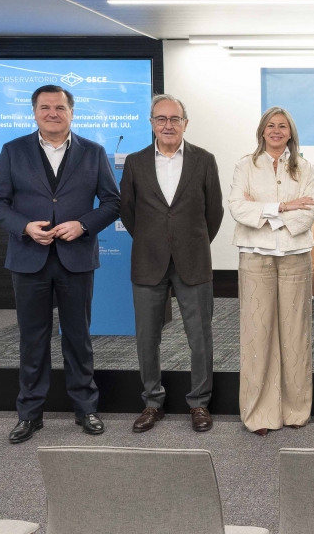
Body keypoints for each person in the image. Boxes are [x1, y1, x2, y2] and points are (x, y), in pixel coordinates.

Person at [0, 84, 120, 444]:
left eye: (59, 107)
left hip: (76, 259)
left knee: (78, 338)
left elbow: (112, 202)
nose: (52, 113)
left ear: (72, 112)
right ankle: (29, 414)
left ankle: (86, 408)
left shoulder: (94, 152)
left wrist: (83, 224)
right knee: (32, 340)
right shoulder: (13, 151)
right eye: (45, 107)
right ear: (34, 112)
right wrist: (24, 227)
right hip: (29, 259)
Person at [120, 94, 224, 434]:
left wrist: (191, 242)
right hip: (148, 261)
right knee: (147, 337)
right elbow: (128, 212)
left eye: (174, 119)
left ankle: (199, 403)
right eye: (161, 119)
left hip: (193, 259)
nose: (168, 125)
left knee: (200, 336)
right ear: (151, 123)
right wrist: (156, 241)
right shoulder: (135, 162)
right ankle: (152, 402)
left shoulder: (204, 160)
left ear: (185, 123)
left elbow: (215, 211)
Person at [227, 106, 314, 436]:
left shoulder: (305, 167)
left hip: (295, 255)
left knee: (295, 334)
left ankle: (295, 410)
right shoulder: (245, 165)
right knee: (258, 333)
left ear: (290, 132)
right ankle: (260, 414)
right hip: (255, 256)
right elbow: (238, 207)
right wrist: (282, 206)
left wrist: (262, 209)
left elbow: (308, 211)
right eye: (270, 126)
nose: (276, 131)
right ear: (262, 131)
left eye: (282, 126)